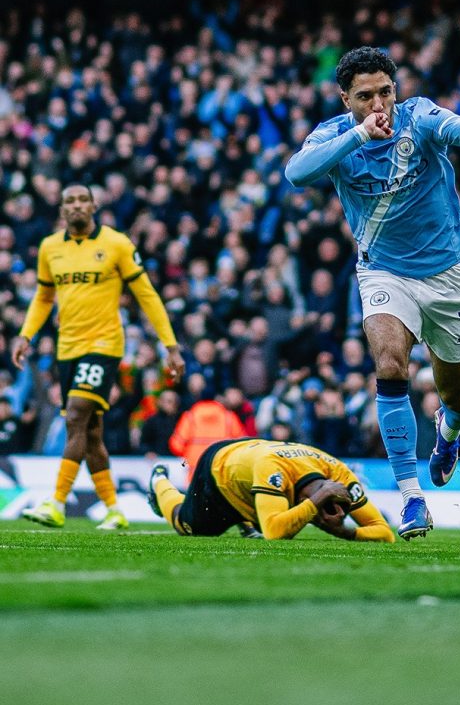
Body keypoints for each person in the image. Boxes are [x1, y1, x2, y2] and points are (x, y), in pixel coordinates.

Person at [285, 47, 460, 539]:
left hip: (447, 273)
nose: (380, 102)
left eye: (386, 90)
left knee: (457, 393)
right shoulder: (338, 135)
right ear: (346, 99)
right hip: (382, 271)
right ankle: (411, 498)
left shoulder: (418, 117)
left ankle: (448, 433)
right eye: (366, 96)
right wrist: (359, 134)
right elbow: (298, 173)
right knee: (389, 365)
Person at [12, 184, 185, 530]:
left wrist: (171, 345)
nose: (75, 205)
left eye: (81, 200)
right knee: (90, 432)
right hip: (68, 349)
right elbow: (44, 297)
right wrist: (25, 334)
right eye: (69, 201)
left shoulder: (117, 244)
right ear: (62, 210)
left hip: (104, 346)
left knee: (75, 415)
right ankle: (114, 509)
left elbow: (147, 295)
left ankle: (56, 502)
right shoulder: (50, 248)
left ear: (93, 205)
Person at [147, 438, 395, 542]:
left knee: (276, 509)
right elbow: (275, 532)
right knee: (188, 527)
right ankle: (159, 483)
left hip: (254, 458)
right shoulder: (274, 471)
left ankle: (247, 520)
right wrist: (318, 500)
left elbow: (385, 532)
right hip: (220, 470)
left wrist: (345, 532)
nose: (322, 519)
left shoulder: (341, 475)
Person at [168, 394, 245, 483]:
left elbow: (176, 445)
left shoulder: (190, 417)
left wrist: (188, 455)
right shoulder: (229, 417)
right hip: (222, 473)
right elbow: (241, 445)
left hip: (194, 473)